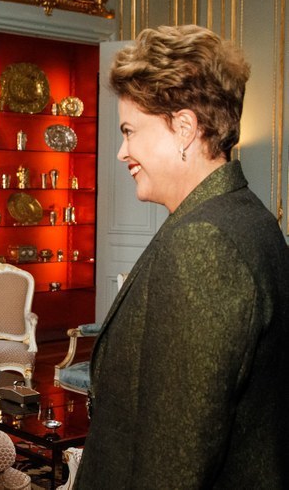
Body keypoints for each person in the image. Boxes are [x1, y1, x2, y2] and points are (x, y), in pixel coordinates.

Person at [75, 25, 289, 488]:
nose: (121, 151)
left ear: (185, 128)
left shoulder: (205, 243)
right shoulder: (245, 217)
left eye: (130, 131)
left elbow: (174, 462)